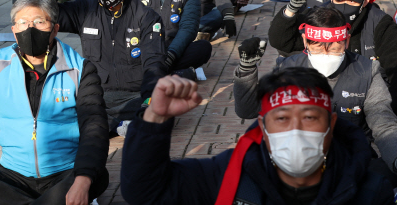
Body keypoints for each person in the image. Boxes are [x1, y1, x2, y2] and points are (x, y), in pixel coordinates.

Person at [120, 67, 394, 204]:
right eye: (282, 118)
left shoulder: (370, 189)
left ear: (331, 124)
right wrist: (154, 119)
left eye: (310, 117)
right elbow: (144, 193)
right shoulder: (229, 175)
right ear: (262, 127)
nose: (295, 131)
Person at [0, 0, 110, 204]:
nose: (30, 28)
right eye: (22, 22)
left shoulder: (79, 69)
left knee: (96, 176)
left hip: (63, 173)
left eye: (39, 22)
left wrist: (82, 181)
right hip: (14, 175)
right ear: (14, 30)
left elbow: (95, 127)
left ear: (55, 28)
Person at [234, 7, 397, 186]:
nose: (326, 53)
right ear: (305, 41)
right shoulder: (288, 70)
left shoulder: (367, 71)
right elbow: (248, 110)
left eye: (335, 47)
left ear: (347, 41)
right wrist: (247, 70)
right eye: (318, 45)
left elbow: (383, 123)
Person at [41, 0, 167, 135]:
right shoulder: (84, 10)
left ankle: (126, 122)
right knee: (62, 119)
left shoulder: (146, 17)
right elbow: (48, 13)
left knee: (159, 113)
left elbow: (153, 61)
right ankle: (121, 124)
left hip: (135, 95)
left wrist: (150, 98)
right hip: (96, 95)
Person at [268, 0, 397, 109]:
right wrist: (290, 11)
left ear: (365, 1)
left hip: (367, 94)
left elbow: (393, 69)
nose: (345, 5)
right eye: (339, 0)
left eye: (352, 0)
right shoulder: (318, 17)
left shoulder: (380, 23)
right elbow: (281, 42)